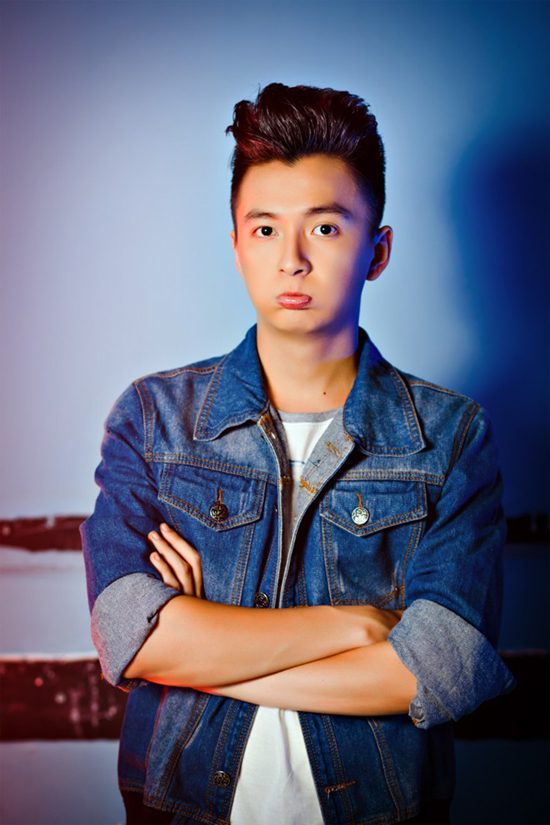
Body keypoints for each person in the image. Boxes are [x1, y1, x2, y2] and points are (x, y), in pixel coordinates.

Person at [81, 83, 515, 825]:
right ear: (236, 246)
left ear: (377, 250)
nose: (292, 260)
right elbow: (131, 633)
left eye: (325, 227)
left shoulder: (451, 436)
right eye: (265, 229)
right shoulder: (154, 420)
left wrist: (200, 647)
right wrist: (358, 624)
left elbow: (441, 669)